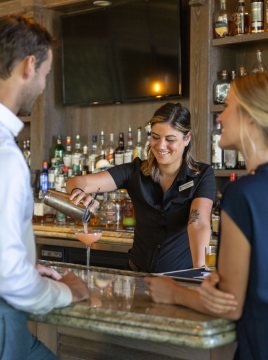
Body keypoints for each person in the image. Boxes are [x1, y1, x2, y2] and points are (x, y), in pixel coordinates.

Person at [144, 73, 268, 360]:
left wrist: (173, 292)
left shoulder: (243, 194)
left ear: (250, 117)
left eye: (227, 106)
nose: (220, 116)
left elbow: (230, 306)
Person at [0, 14, 89, 360]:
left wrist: (24, 263)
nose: (43, 86)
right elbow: (9, 278)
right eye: (47, 75)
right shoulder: (6, 156)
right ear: (29, 66)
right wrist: (65, 291)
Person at [67, 103, 216, 273]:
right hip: (137, 278)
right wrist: (78, 191)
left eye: (170, 139)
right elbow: (78, 181)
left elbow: (197, 224)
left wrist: (199, 274)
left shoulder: (201, 175)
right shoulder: (134, 172)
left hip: (179, 281)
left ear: (187, 138)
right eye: (155, 137)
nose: (160, 146)